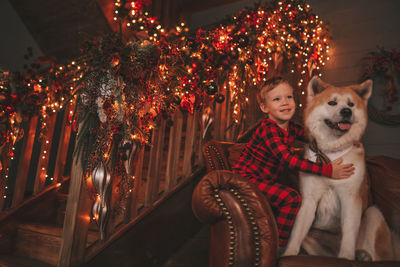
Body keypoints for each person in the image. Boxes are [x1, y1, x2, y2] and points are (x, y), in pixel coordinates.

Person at [232, 76, 354, 250]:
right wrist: (328, 170)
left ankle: (292, 240)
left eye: (289, 97)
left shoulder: (290, 128)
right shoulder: (268, 129)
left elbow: (313, 135)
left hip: (263, 181)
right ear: (264, 107)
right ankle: (278, 248)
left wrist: (343, 137)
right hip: (244, 180)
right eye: (277, 99)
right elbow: (289, 160)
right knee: (291, 198)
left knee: (300, 196)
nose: (285, 103)